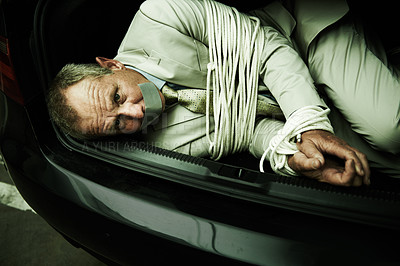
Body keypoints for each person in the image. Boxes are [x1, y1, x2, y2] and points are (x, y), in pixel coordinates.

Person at [47, 0, 400, 187]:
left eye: (117, 99)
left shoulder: (159, 15)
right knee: (376, 166)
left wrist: (309, 126)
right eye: (118, 125)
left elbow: (266, 47)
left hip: (300, 38)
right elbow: (247, 132)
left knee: (389, 129)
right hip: (290, 113)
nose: (135, 115)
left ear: (111, 65)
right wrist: (293, 159)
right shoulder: (163, 145)